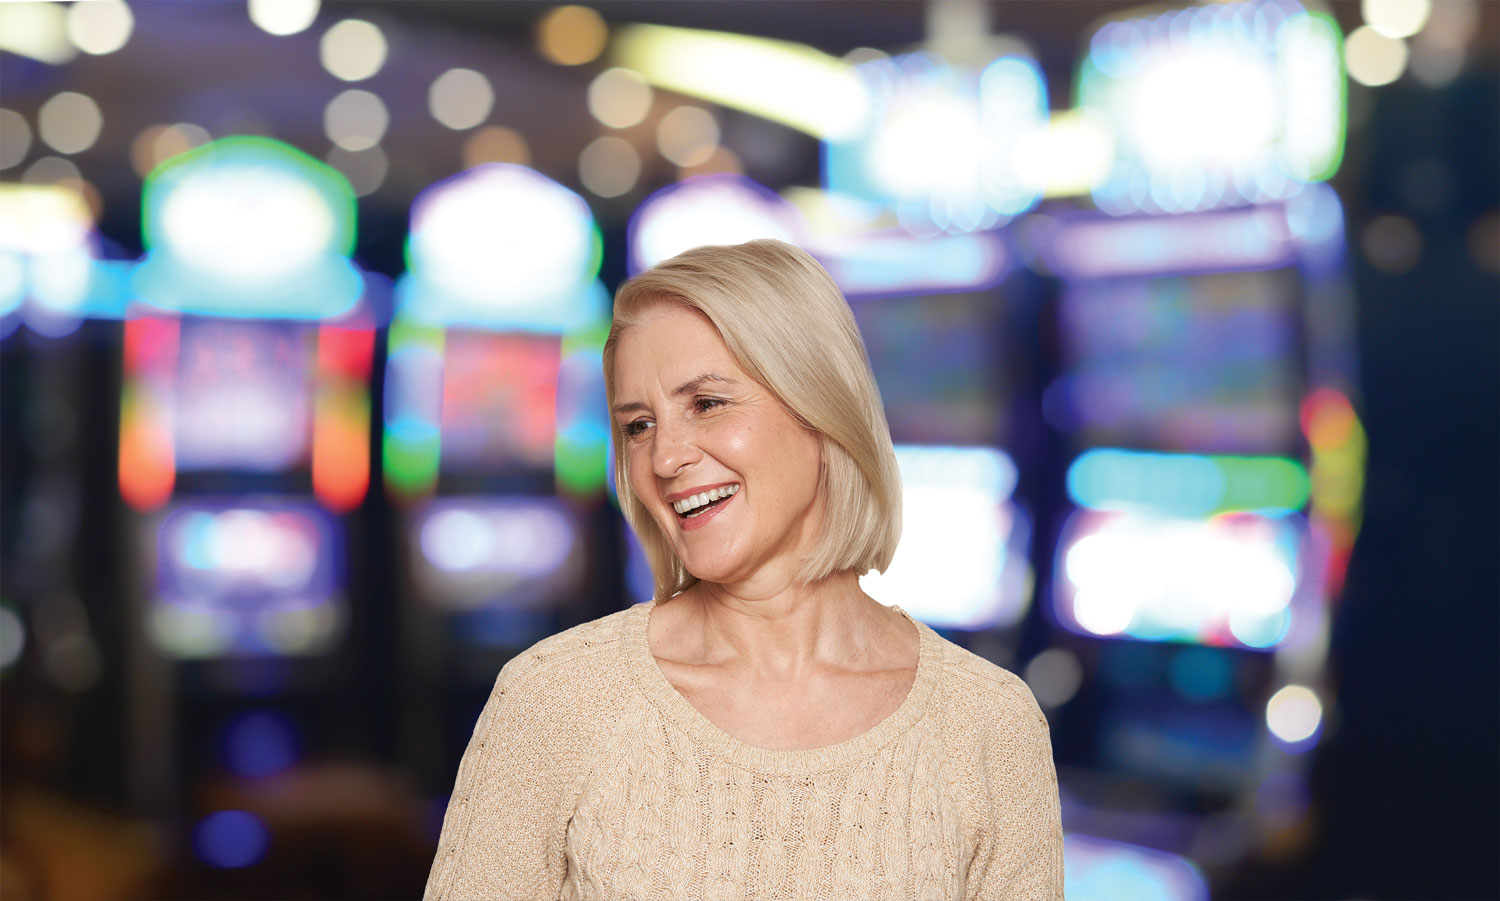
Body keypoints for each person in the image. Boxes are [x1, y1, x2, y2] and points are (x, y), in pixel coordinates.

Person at [424, 239, 1064, 900]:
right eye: (639, 425)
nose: (665, 457)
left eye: (707, 403)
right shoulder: (554, 699)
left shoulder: (988, 724)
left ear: (822, 406)